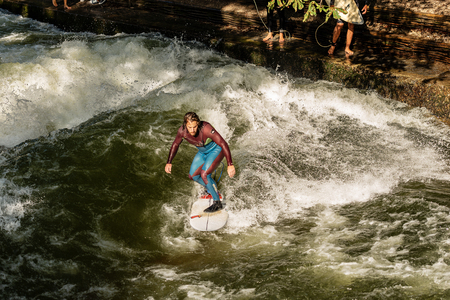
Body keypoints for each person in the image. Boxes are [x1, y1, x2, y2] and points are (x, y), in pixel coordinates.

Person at [165, 112, 236, 213]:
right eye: (190, 127)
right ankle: (211, 187)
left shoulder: (206, 129)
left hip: (216, 150)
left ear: (198, 124)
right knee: (193, 176)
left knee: (204, 174)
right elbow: (176, 144)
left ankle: (217, 203)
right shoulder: (182, 131)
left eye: (195, 126)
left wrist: (230, 164)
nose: (192, 130)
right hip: (202, 152)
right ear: (185, 125)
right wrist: (169, 162)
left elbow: (223, 143)